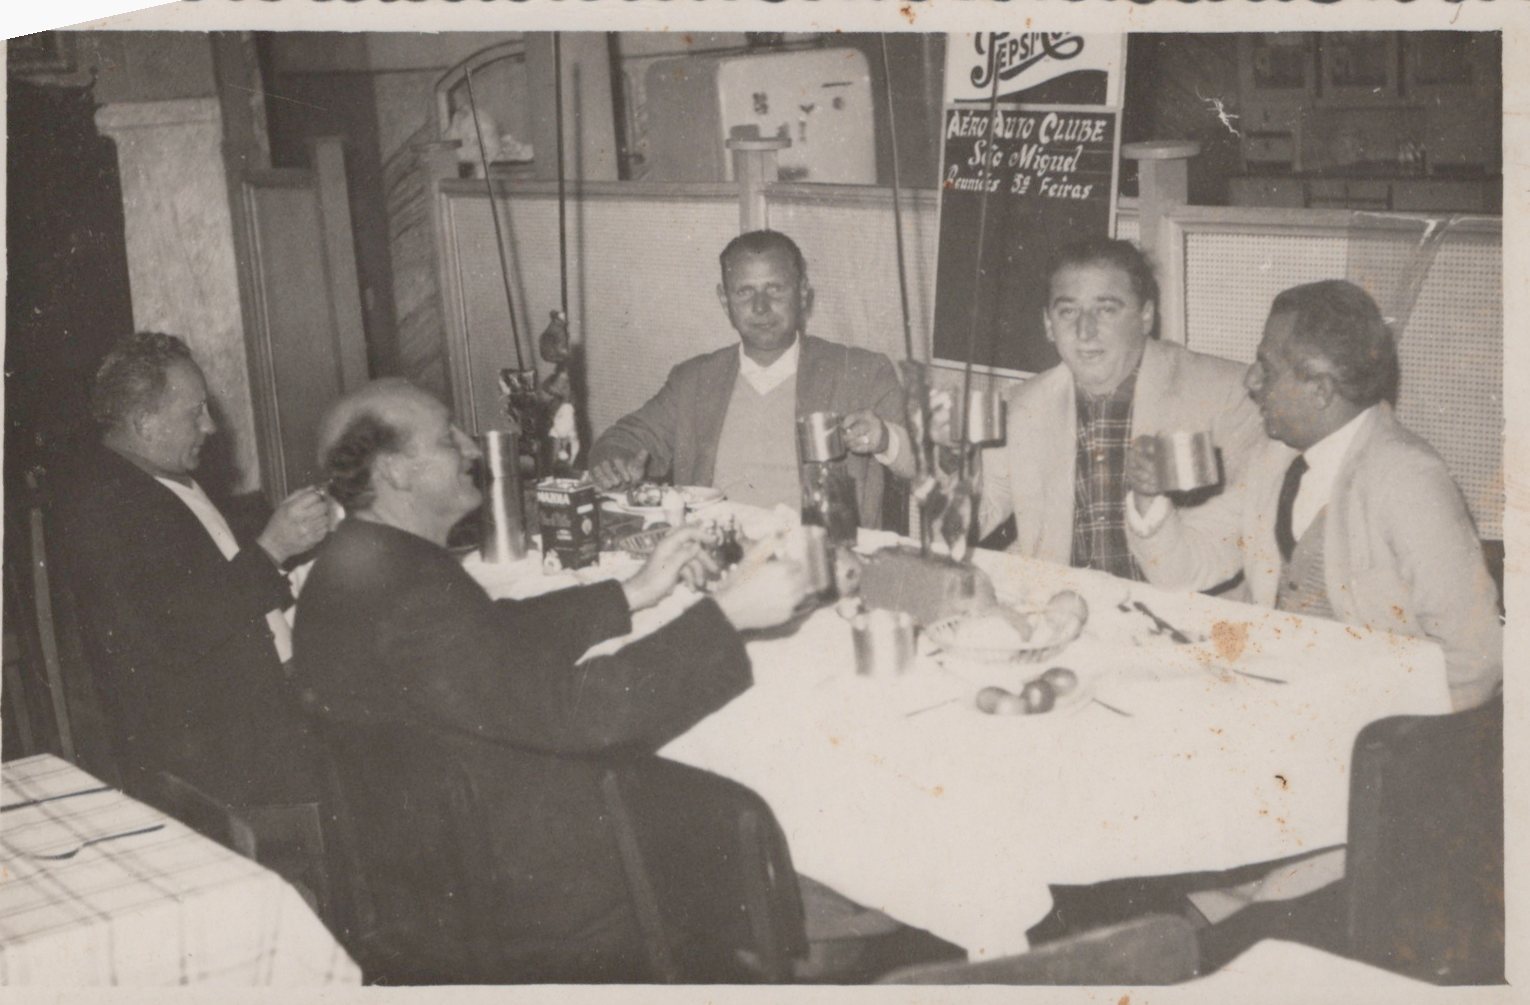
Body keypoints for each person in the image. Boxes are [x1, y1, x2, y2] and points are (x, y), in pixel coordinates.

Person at [294, 378, 816, 981]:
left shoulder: (359, 566)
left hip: (434, 875)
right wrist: (727, 618)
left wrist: (634, 591)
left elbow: (487, 640)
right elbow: (583, 713)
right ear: (395, 472)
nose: (472, 448)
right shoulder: (413, 594)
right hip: (529, 897)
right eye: (448, 439)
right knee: (741, 809)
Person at [1128, 280, 1501, 711]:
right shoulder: (1274, 458)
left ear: (1321, 390)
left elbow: (1475, 661)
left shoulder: (1408, 481)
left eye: (1267, 367)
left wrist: (1372, 727)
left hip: (1375, 730)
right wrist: (1149, 496)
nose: (1250, 380)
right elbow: (1184, 570)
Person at [54, 332, 332, 807]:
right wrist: (271, 550)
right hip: (221, 744)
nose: (210, 426)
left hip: (261, 703)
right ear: (145, 423)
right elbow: (177, 626)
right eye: (195, 412)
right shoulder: (108, 505)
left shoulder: (159, 479)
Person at [956, 238, 1266, 584]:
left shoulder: (1226, 394)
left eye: (1105, 310)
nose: (1085, 332)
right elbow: (974, 516)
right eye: (1068, 311)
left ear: (1145, 316)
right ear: (1048, 324)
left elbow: (1215, 555)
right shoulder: (1021, 405)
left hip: (1182, 608)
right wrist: (948, 464)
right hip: (1065, 605)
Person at [587, 230, 915, 528]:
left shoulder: (861, 372)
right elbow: (624, 439)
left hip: (818, 560)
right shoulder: (694, 380)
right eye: (745, 292)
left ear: (802, 293)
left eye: (775, 289)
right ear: (724, 300)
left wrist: (885, 438)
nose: (761, 307)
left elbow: (926, 466)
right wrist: (613, 464)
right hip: (713, 554)